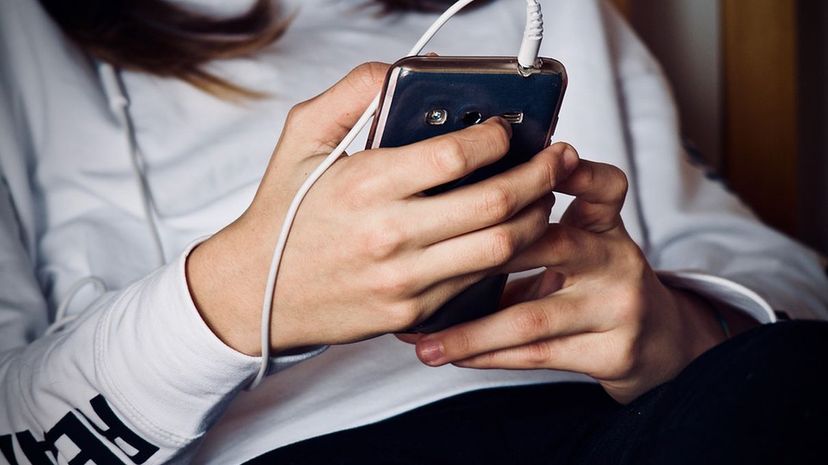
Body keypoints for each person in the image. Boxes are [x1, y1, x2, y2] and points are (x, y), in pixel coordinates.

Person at [1, 0, 826, 463]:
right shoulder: (20, 43)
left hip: (625, 427)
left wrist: (678, 326)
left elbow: (783, 276)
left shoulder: (555, 10)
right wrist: (234, 297)